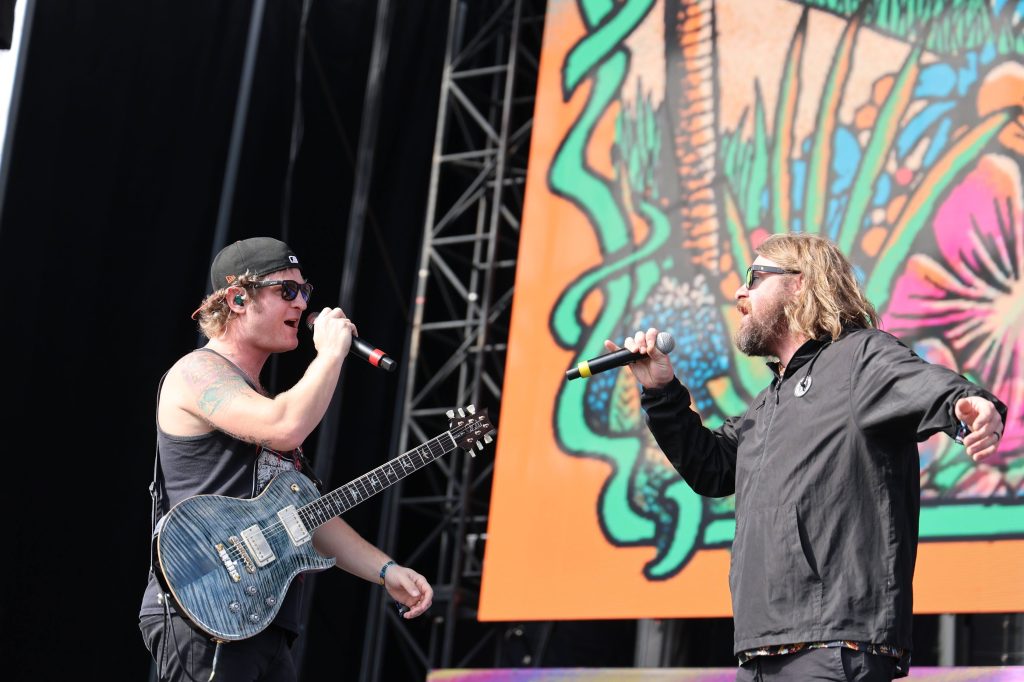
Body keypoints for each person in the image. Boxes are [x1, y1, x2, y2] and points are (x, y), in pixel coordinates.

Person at [609, 233, 1006, 681]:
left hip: (833, 646)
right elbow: (711, 468)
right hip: (761, 650)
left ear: (800, 284)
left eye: (754, 277)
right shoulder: (766, 406)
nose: (740, 292)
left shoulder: (859, 359)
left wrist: (966, 403)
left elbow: (919, 382)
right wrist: (661, 392)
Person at [139, 236, 433, 681]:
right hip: (206, 607)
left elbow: (305, 517)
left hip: (263, 617)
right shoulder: (198, 373)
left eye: (305, 291)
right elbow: (286, 425)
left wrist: (385, 570)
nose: (302, 304)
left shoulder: (258, 399)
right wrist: (331, 354)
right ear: (238, 299)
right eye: (287, 291)